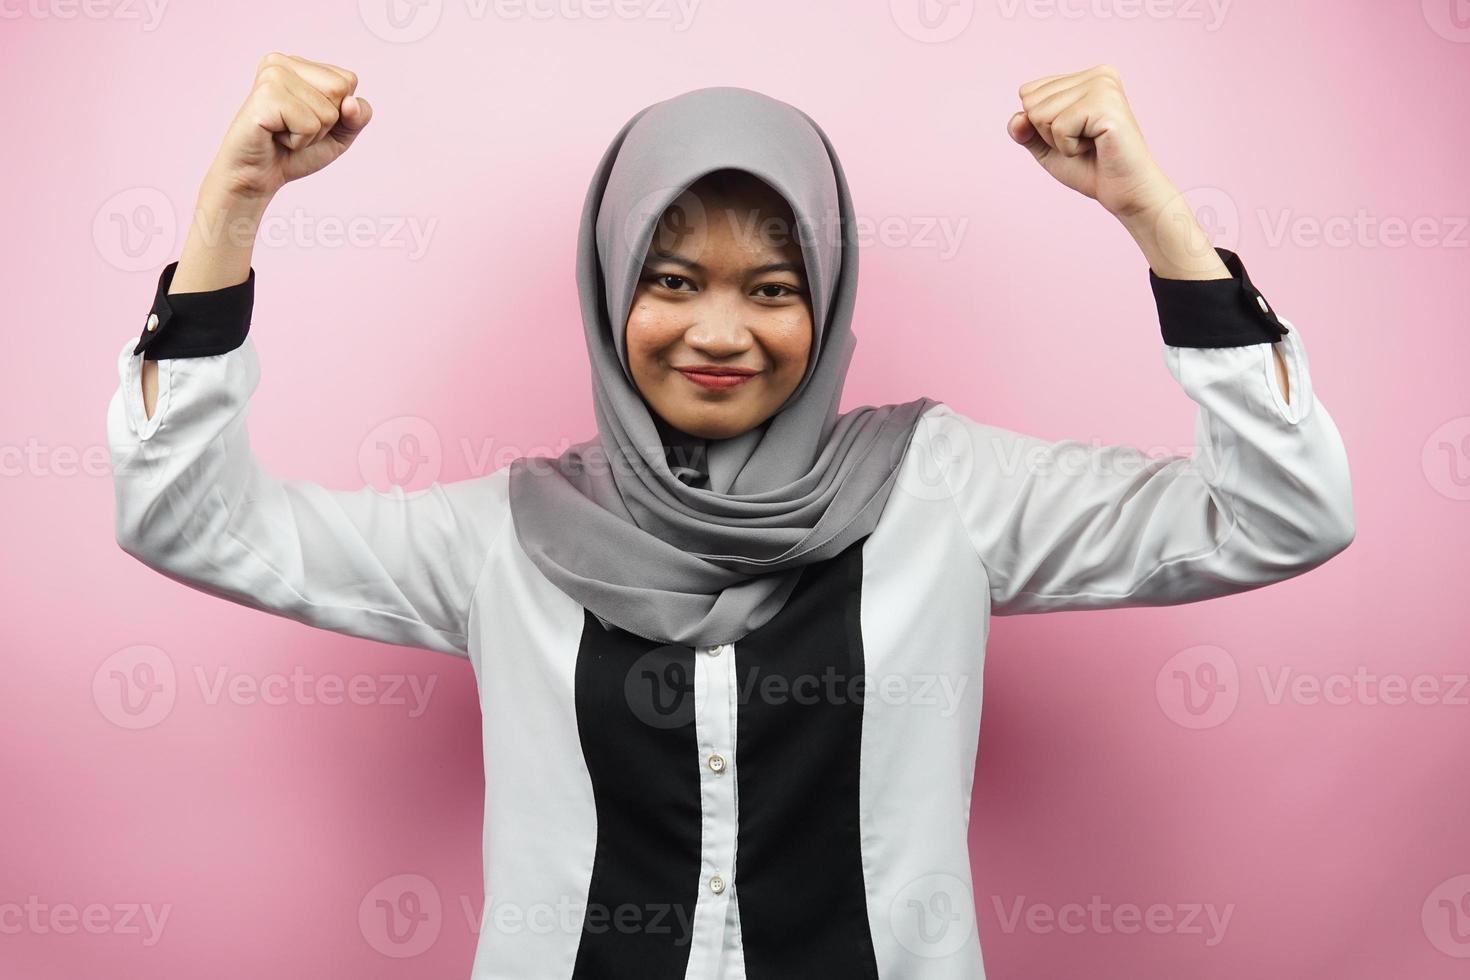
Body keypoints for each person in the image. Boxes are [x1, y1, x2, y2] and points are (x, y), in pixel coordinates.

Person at [107, 54, 1355, 980]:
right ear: (608, 290)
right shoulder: (506, 537)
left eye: (772, 286)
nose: (718, 331)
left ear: (829, 296)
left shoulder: (947, 495)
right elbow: (187, 516)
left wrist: (1156, 219)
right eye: (669, 279)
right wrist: (235, 207)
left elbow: (1282, 509)